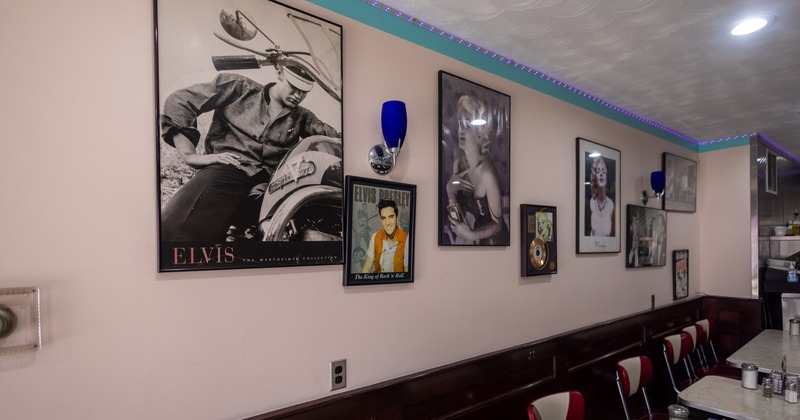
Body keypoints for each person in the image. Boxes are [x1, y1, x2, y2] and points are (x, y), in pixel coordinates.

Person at [159, 65, 340, 242]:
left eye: (304, 91)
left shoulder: (303, 116)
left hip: (273, 184)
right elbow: (180, 101)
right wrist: (190, 155)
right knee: (180, 226)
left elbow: (335, 139)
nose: (298, 96)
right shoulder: (239, 88)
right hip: (230, 168)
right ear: (279, 73)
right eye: (294, 87)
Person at [445, 94, 508, 245]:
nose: (461, 130)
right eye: (460, 123)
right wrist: (449, 190)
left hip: (494, 242)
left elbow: (497, 224)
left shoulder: (486, 172)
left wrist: (472, 235)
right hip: (472, 241)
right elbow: (458, 217)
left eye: (467, 125)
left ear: (480, 133)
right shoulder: (458, 164)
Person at [362, 199, 409, 273]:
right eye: (384, 218)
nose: (387, 223)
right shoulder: (375, 237)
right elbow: (366, 268)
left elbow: (407, 273)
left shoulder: (406, 239)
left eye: (391, 217)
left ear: (397, 217)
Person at [587, 156, 614, 237]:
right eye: (598, 172)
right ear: (594, 178)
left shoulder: (611, 205)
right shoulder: (590, 203)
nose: (601, 174)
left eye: (603, 171)